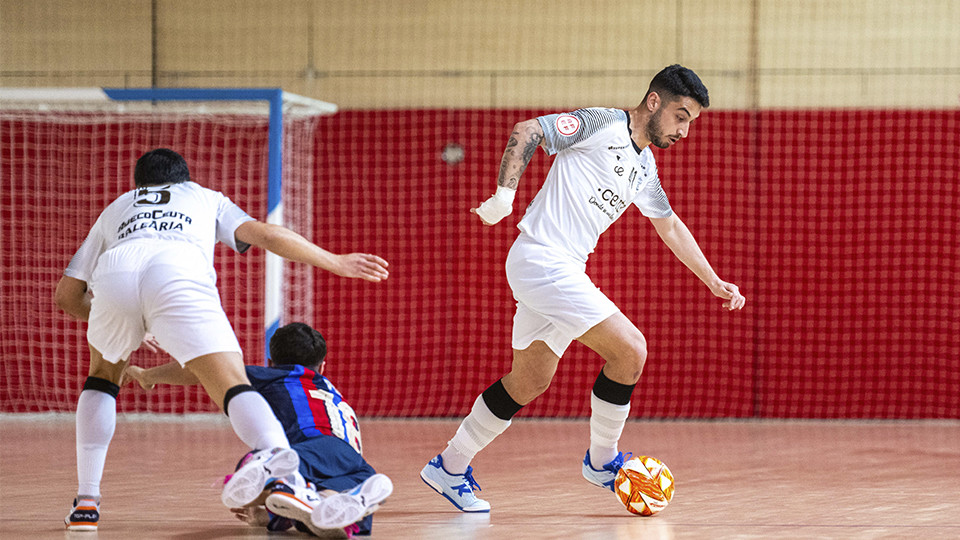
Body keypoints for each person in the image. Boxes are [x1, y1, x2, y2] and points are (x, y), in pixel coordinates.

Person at [419, 65, 746, 512]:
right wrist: (503, 197)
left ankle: (449, 465)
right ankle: (601, 461)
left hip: (562, 267)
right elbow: (528, 130)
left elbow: (669, 225)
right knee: (631, 349)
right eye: (681, 116)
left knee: (529, 380)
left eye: (690, 122)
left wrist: (713, 280)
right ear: (654, 102)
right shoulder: (602, 123)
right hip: (542, 260)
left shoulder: (644, 166)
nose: (684, 131)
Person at [54, 148, 390, 531]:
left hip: (116, 272)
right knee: (232, 384)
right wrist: (336, 261)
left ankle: (86, 502)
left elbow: (67, 296)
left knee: (101, 378)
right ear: (183, 178)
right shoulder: (203, 196)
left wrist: (126, 318)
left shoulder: (116, 208)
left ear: (138, 184)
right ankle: (287, 478)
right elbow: (267, 234)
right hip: (176, 268)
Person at [123, 322, 392, 537]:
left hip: (309, 448)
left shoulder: (272, 375)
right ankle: (327, 504)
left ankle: (278, 479)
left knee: (270, 463)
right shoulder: (332, 392)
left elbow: (200, 370)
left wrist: (148, 376)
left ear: (270, 362)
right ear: (323, 367)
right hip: (354, 461)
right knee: (331, 498)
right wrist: (263, 516)